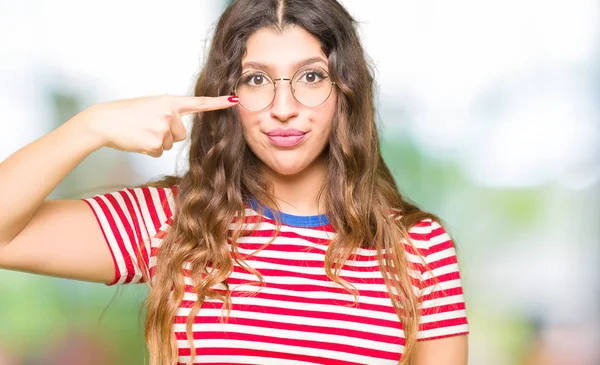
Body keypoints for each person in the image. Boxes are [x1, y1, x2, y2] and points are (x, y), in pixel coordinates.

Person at [0, 0, 469, 364]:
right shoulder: (174, 219)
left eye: (311, 76)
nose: (283, 106)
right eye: (256, 79)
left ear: (345, 91)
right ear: (229, 94)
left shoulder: (418, 248)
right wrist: (91, 126)